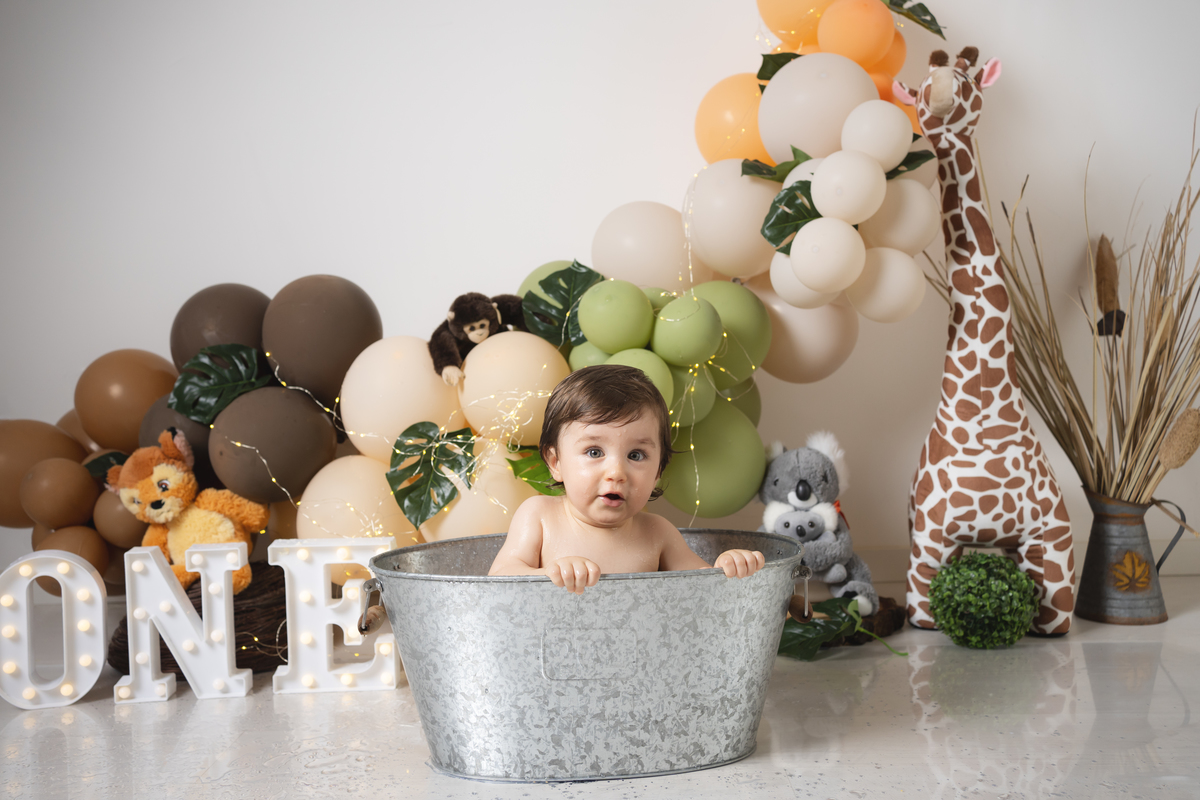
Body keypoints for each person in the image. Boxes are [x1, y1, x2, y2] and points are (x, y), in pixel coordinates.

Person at [488, 364, 764, 593]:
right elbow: (497, 578)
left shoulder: (658, 533)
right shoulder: (539, 516)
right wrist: (548, 573)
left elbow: (704, 588)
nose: (616, 473)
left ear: (658, 471)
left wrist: (728, 567)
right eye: (594, 452)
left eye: (636, 455)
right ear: (555, 463)